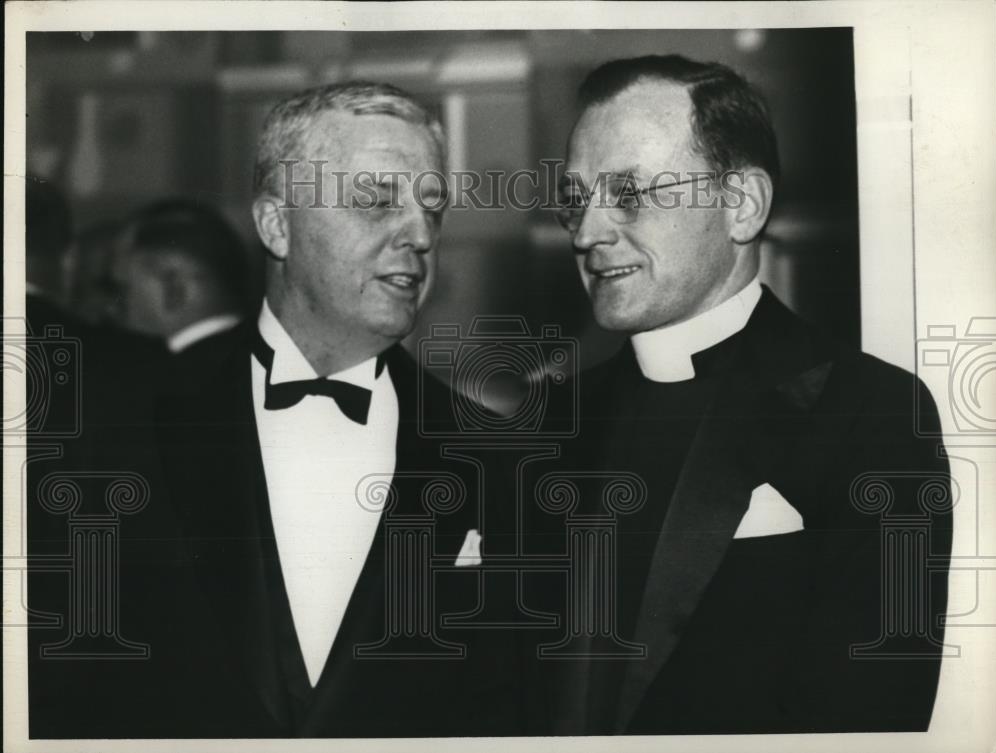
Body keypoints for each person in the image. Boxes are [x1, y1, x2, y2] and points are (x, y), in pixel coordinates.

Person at [542, 55, 953, 735]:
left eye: (629, 194)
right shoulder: (551, 419)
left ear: (741, 205)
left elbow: (871, 718)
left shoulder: (872, 413)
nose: (586, 233)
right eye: (574, 200)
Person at [137, 81, 537, 737]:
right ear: (276, 224)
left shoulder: (500, 463)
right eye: (377, 200)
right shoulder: (125, 422)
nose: (417, 234)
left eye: (431, 209)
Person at [110, 198, 249, 353]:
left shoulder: (165, 373)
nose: (109, 309)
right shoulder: (267, 358)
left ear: (174, 287)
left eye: (121, 291)